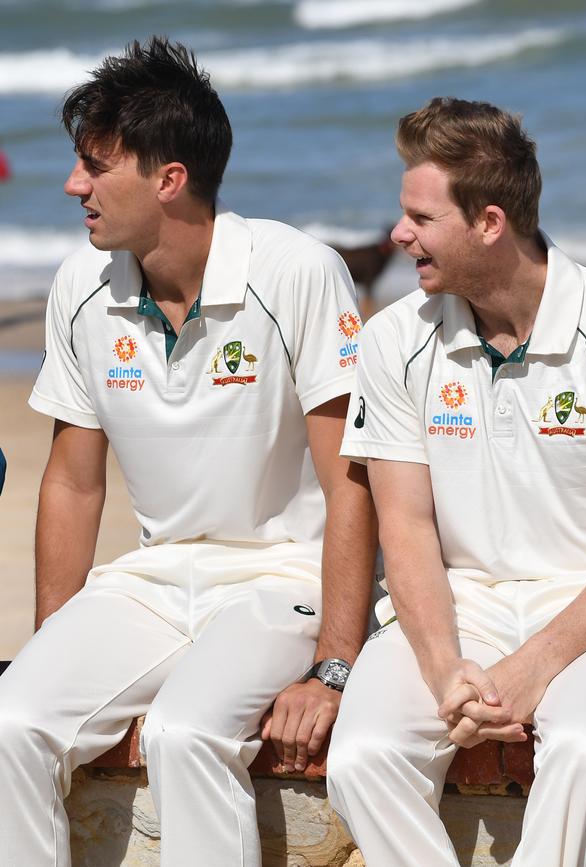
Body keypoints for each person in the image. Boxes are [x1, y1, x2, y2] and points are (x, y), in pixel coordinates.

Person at [0, 37, 376, 867]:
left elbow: (351, 480)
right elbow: (70, 481)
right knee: (12, 720)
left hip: (285, 579)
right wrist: (54, 644)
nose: (73, 187)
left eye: (95, 167)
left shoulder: (298, 272)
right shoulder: (80, 286)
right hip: (154, 578)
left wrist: (336, 665)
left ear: (168, 178)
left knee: (186, 729)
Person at [327, 97, 586, 867]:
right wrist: (444, 669)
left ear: (490, 222)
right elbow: (404, 526)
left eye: (419, 218)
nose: (399, 235)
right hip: (458, 603)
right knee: (360, 756)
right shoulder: (393, 339)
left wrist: (537, 662)